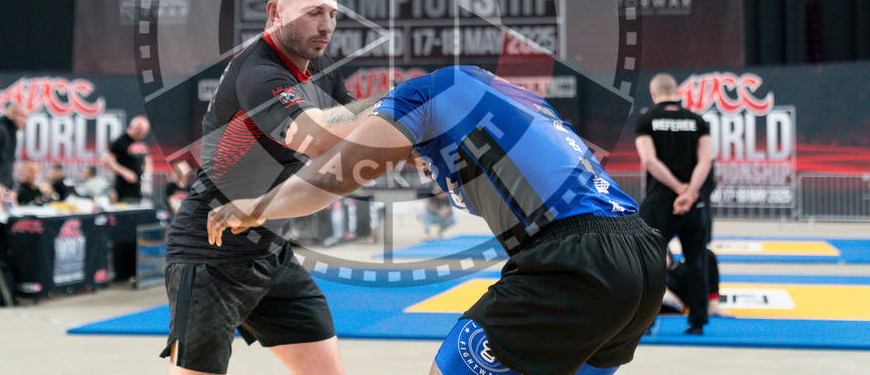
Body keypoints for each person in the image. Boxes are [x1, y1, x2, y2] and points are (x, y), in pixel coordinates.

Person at [209, 65, 667, 375]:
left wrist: (258, 206)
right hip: (641, 257)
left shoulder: (420, 95)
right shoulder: (510, 99)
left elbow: (335, 173)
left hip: (574, 262)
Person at [162, 0, 379, 375]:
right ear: (276, 13)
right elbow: (316, 139)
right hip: (210, 252)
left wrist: (408, 133)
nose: (327, 25)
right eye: (313, 12)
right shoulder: (259, 72)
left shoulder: (319, 68)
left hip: (270, 251)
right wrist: (404, 104)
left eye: (333, 14)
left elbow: (357, 131)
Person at [634, 72, 713, 335]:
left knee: (650, 262)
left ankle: (646, 321)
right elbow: (705, 161)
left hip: (659, 202)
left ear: (654, 93)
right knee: (696, 261)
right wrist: (689, 193)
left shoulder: (647, 120)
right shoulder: (697, 121)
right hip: (693, 204)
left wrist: (678, 190)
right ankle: (698, 322)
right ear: (676, 92)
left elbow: (649, 160)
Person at [103, 116, 153, 202]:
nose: (141, 136)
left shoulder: (140, 142)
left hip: (138, 188)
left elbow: (147, 159)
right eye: (139, 132)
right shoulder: (120, 141)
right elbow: (107, 161)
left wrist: (147, 175)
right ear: (134, 128)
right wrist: (124, 172)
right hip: (124, 189)